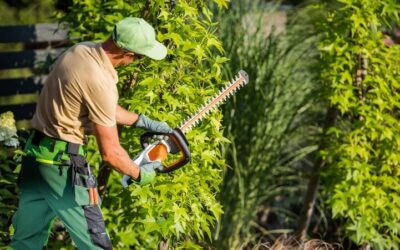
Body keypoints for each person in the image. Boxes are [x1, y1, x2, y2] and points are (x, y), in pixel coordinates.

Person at [11, 17, 172, 249]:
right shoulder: (99, 79)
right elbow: (111, 153)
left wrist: (143, 122)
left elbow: (101, 105)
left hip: (35, 160)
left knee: (24, 244)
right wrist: (140, 174)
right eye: (139, 57)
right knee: (96, 245)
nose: (137, 62)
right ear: (125, 52)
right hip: (63, 171)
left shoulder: (81, 51)